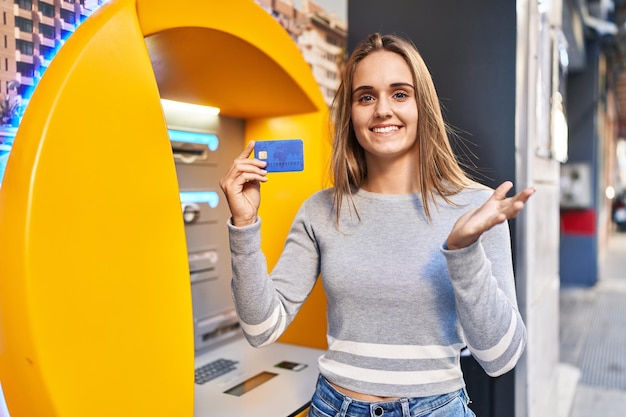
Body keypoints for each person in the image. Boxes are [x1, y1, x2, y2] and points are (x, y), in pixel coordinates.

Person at [219, 32, 535, 417]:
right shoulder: (320, 210)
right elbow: (260, 327)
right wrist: (244, 223)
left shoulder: (475, 208)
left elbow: (501, 358)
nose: (382, 109)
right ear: (351, 114)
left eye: (400, 94)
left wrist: (464, 252)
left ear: (423, 106)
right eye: (366, 96)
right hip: (332, 407)